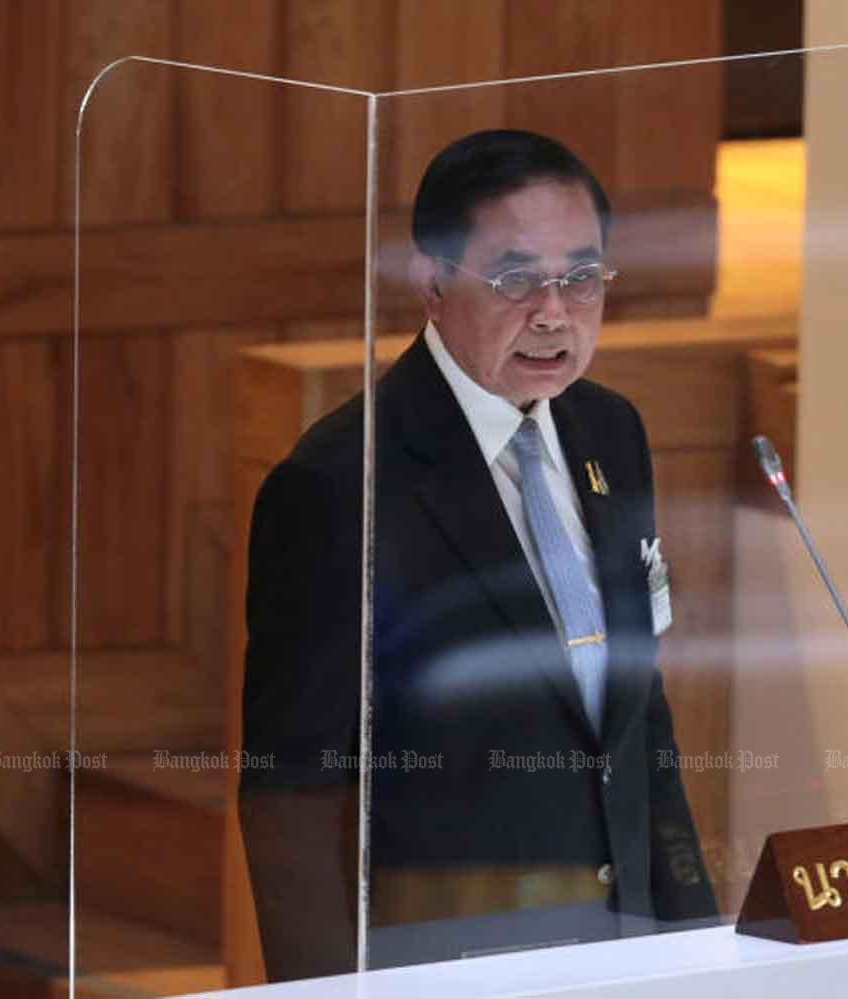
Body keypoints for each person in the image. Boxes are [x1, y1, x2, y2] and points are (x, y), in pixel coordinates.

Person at [239, 129, 716, 981]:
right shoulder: (340, 485)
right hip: (449, 966)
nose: (554, 312)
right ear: (429, 282)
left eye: (581, 277)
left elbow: (640, 724)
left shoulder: (614, 431)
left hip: (626, 959)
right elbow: (292, 801)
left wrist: (700, 947)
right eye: (515, 279)